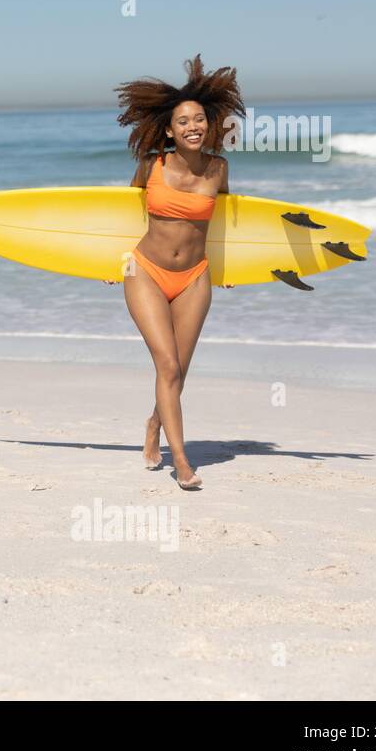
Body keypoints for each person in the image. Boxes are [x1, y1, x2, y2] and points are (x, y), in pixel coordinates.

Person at [112, 55, 245, 490]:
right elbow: (121, 216)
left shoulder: (219, 170)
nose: (193, 126)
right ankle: (181, 461)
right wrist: (108, 261)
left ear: (210, 125)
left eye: (200, 119)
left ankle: (154, 424)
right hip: (145, 270)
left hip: (195, 277)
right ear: (169, 129)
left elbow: (227, 224)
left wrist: (234, 269)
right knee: (166, 364)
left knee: (179, 371)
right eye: (183, 120)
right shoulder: (151, 166)